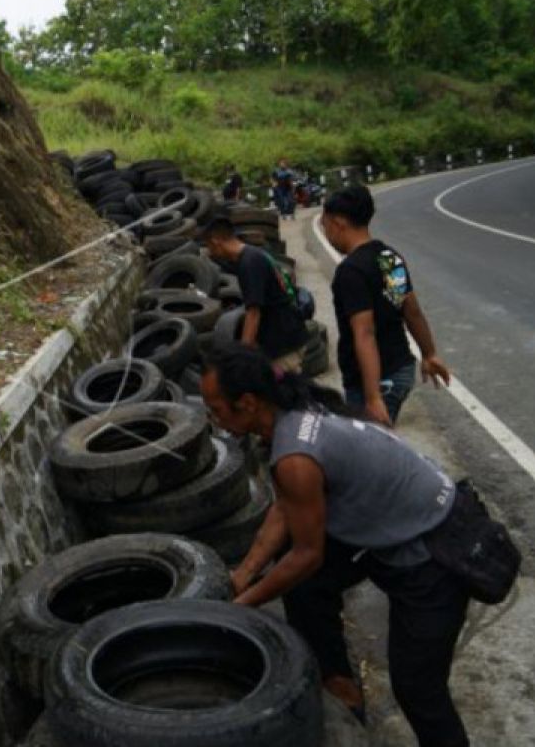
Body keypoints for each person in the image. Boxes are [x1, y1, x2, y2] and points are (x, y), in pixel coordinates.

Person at [200, 342, 471, 747]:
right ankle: (340, 686)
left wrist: (242, 607)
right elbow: (285, 510)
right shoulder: (295, 410)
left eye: (217, 409)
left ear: (248, 403)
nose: (212, 419)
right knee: (305, 586)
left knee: (419, 690)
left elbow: (308, 555)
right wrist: (245, 572)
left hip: (435, 551)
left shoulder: (295, 455)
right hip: (394, 524)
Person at [323, 185, 451, 426]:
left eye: (325, 224)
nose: (325, 232)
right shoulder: (388, 257)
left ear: (338, 223)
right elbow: (411, 311)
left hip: (378, 381)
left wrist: (372, 397)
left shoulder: (351, 271)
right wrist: (429, 353)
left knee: (368, 449)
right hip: (401, 367)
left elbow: (365, 332)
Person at [200, 215, 307, 372]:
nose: (211, 251)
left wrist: (243, 355)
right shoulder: (253, 254)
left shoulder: (249, 264)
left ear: (216, 242)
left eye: (209, 246)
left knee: (283, 393)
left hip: (284, 346)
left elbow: (253, 314)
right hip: (285, 335)